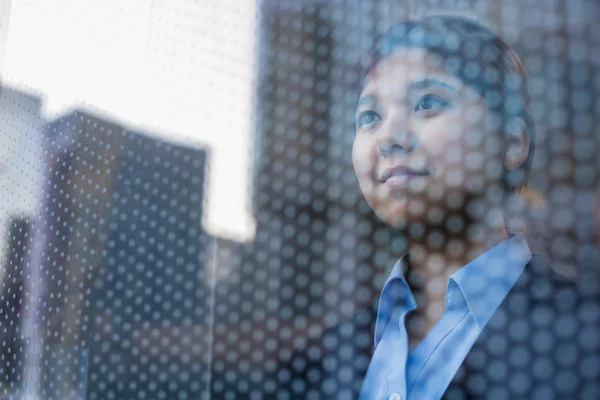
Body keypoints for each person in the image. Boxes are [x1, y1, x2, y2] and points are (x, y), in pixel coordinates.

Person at [278, 15, 600, 399]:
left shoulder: (585, 339)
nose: (389, 138)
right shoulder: (316, 365)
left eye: (428, 102)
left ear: (511, 143)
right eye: (369, 117)